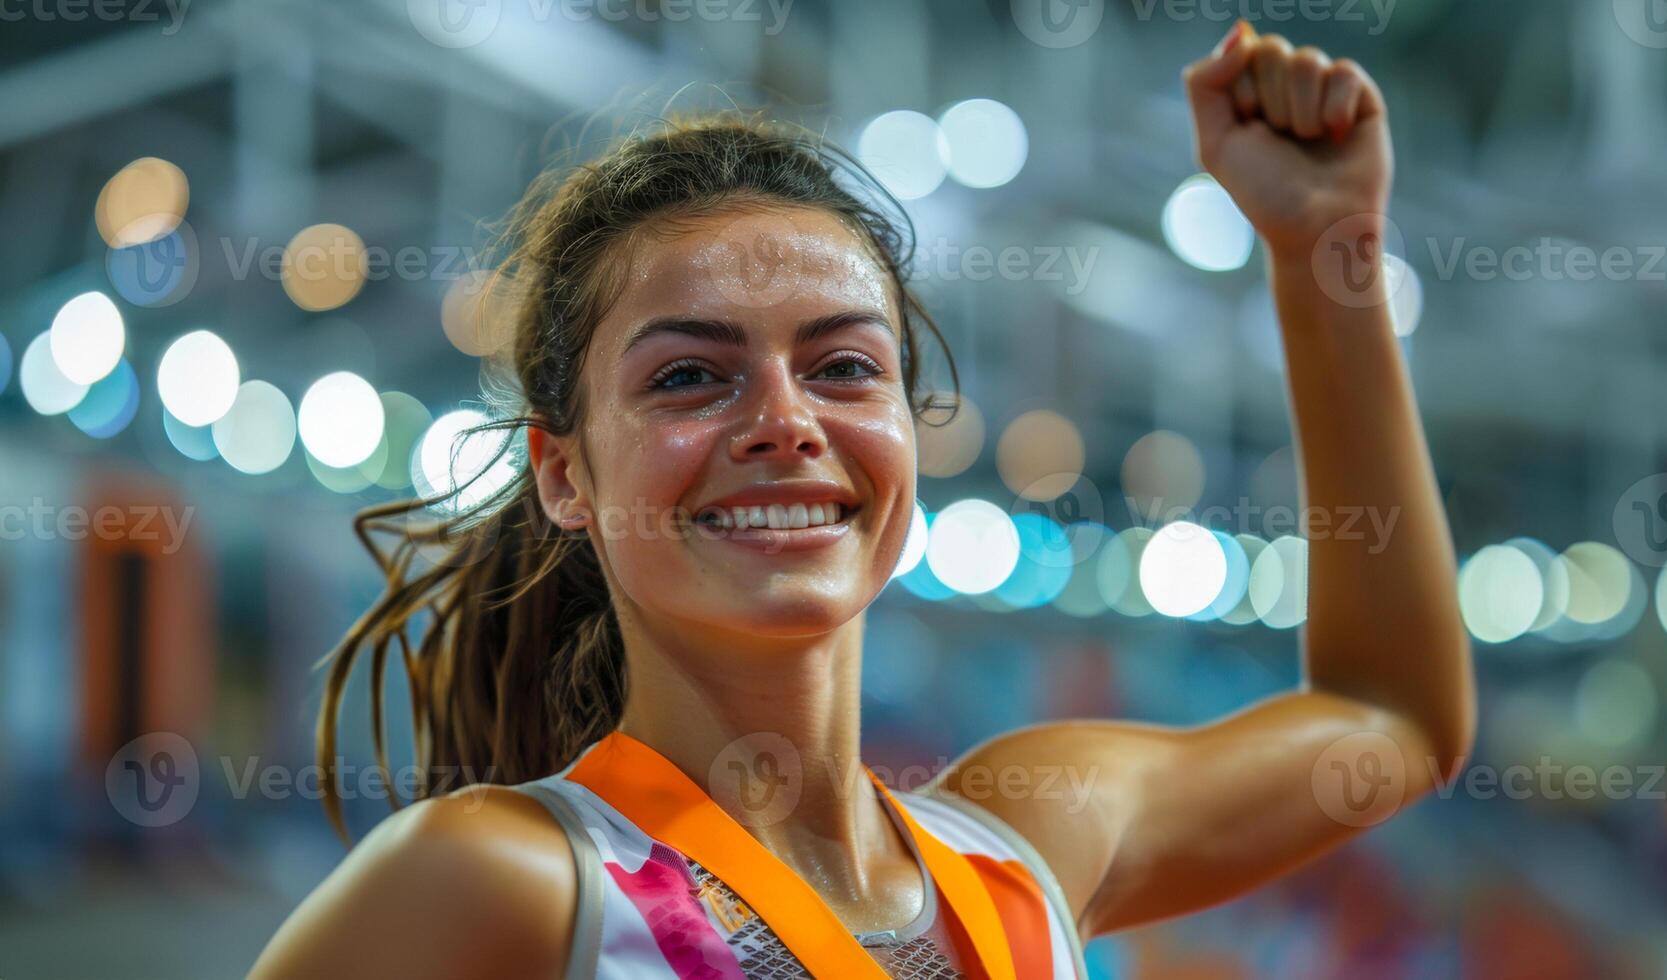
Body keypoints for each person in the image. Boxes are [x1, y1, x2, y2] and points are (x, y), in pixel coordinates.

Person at [251, 20, 1472, 979]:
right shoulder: (502, 882)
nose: (785, 420)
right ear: (564, 471)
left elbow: (1391, 718)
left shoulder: (1029, 844)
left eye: (843, 367)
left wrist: (1326, 254)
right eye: (690, 375)